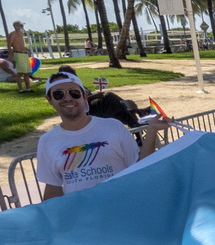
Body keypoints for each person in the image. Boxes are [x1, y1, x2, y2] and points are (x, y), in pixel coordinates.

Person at [34, 71, 170, 199]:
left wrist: (151, 131)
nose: (68, 98)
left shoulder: (113, 127)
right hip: (83, 219)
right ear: (49, 99)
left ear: (85, 96)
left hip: (123, 211)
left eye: (74, 93)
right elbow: (53, 189)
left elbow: (139, 168)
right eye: (59, 94)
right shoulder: (47, 142)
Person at [6, 20, 33, 93]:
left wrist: (26, 49)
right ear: (15, 26)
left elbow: (21, 44)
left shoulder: (21, 34)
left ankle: (28, 88)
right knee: (20, 72)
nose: (22, 27)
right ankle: (21, 89)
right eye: (20, 25)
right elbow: (9, 45)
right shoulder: (13, 34)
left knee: (26, 72)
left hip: (24, 54)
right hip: (18, 54)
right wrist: (10, 54)